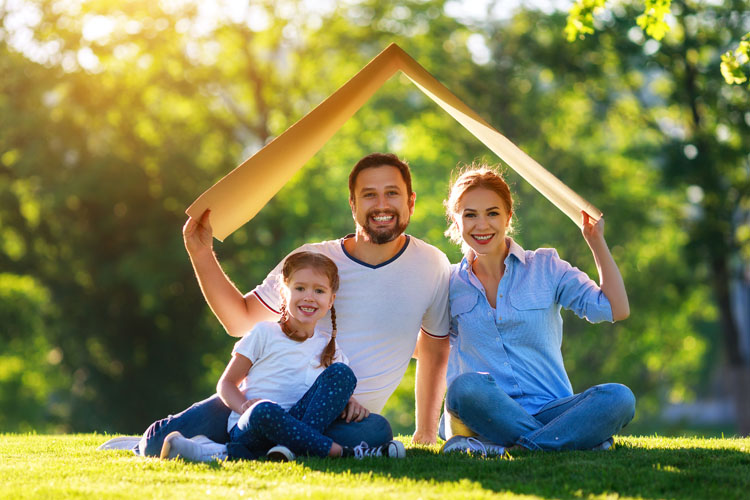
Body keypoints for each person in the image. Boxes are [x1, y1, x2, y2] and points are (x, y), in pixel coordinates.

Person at [136, 153, 451, 458]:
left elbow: (435, 348)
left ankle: (237, 450)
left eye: (391, 193)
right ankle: (262, 447)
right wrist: (201, 252)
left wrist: (425, 432)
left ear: (410, 201)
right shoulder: (314, 261)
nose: (381, 205)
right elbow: (239, 320)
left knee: (376, 431)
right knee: (157, 446)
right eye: (369, 195)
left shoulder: (431, 264)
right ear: (353, 205)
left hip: (339, 418)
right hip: (268, 398)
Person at [439, 165, 635, 454]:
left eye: (492, 213)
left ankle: (509, 448)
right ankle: (571, 439)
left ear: (508, 216)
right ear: (456, 222)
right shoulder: (447, 283)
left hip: (553, 409)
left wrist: (596, 242)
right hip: (487, 413)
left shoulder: (546, 267)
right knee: (463, 389)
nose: (482, 225)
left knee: (620, 397)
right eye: (470, 215)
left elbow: (614, 308)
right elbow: (429, 346)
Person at [160, 251, 405, 461]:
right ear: (283, 292)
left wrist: (349, 403)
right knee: (265, 410)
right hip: (257, 423)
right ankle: (340, 453)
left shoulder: (331, 350)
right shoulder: (264, 332)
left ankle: (276, 451)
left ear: (330, 300)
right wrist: (244, 407)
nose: (309, 297)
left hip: (299, 423)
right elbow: (226, 384)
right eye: (300, 288)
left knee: (352, 386)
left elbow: (331, 394)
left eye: (319, 291)